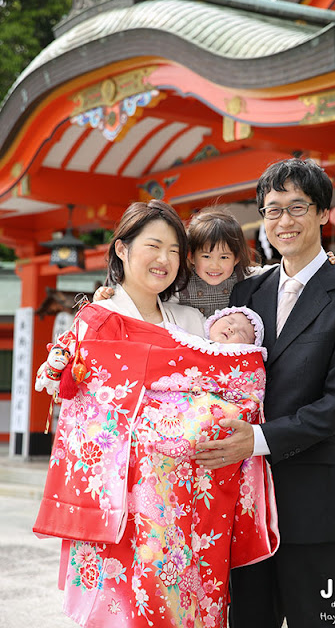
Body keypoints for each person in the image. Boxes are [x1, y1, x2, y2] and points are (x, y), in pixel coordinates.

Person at [33, 199, 278, 628]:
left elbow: (225, 381)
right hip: (120, 497)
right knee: (125, 609)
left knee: (184, 605)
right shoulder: (97, 319)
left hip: (188, 501)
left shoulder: (189, 320)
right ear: (122, 250)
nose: (164, 260)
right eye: (153, 246)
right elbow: (80, 406)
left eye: (173, 249)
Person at [193, 158, 335, 628]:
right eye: (273, 209)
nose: (284, 221)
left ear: (323, 213)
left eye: (297, 207)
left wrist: (255, 438)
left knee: (320, 622)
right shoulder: (246, 292)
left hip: (313, 500)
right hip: (243, 502)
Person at [95, 206, 335, 317]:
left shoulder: (246, 276)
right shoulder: (181, 282)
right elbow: (151, 299)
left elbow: (279, 271)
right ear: (191, 256)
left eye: (224, 257)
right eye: (206, 256)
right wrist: (112, 295)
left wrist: (318, 264)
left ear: (236, 258)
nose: (215, 265)